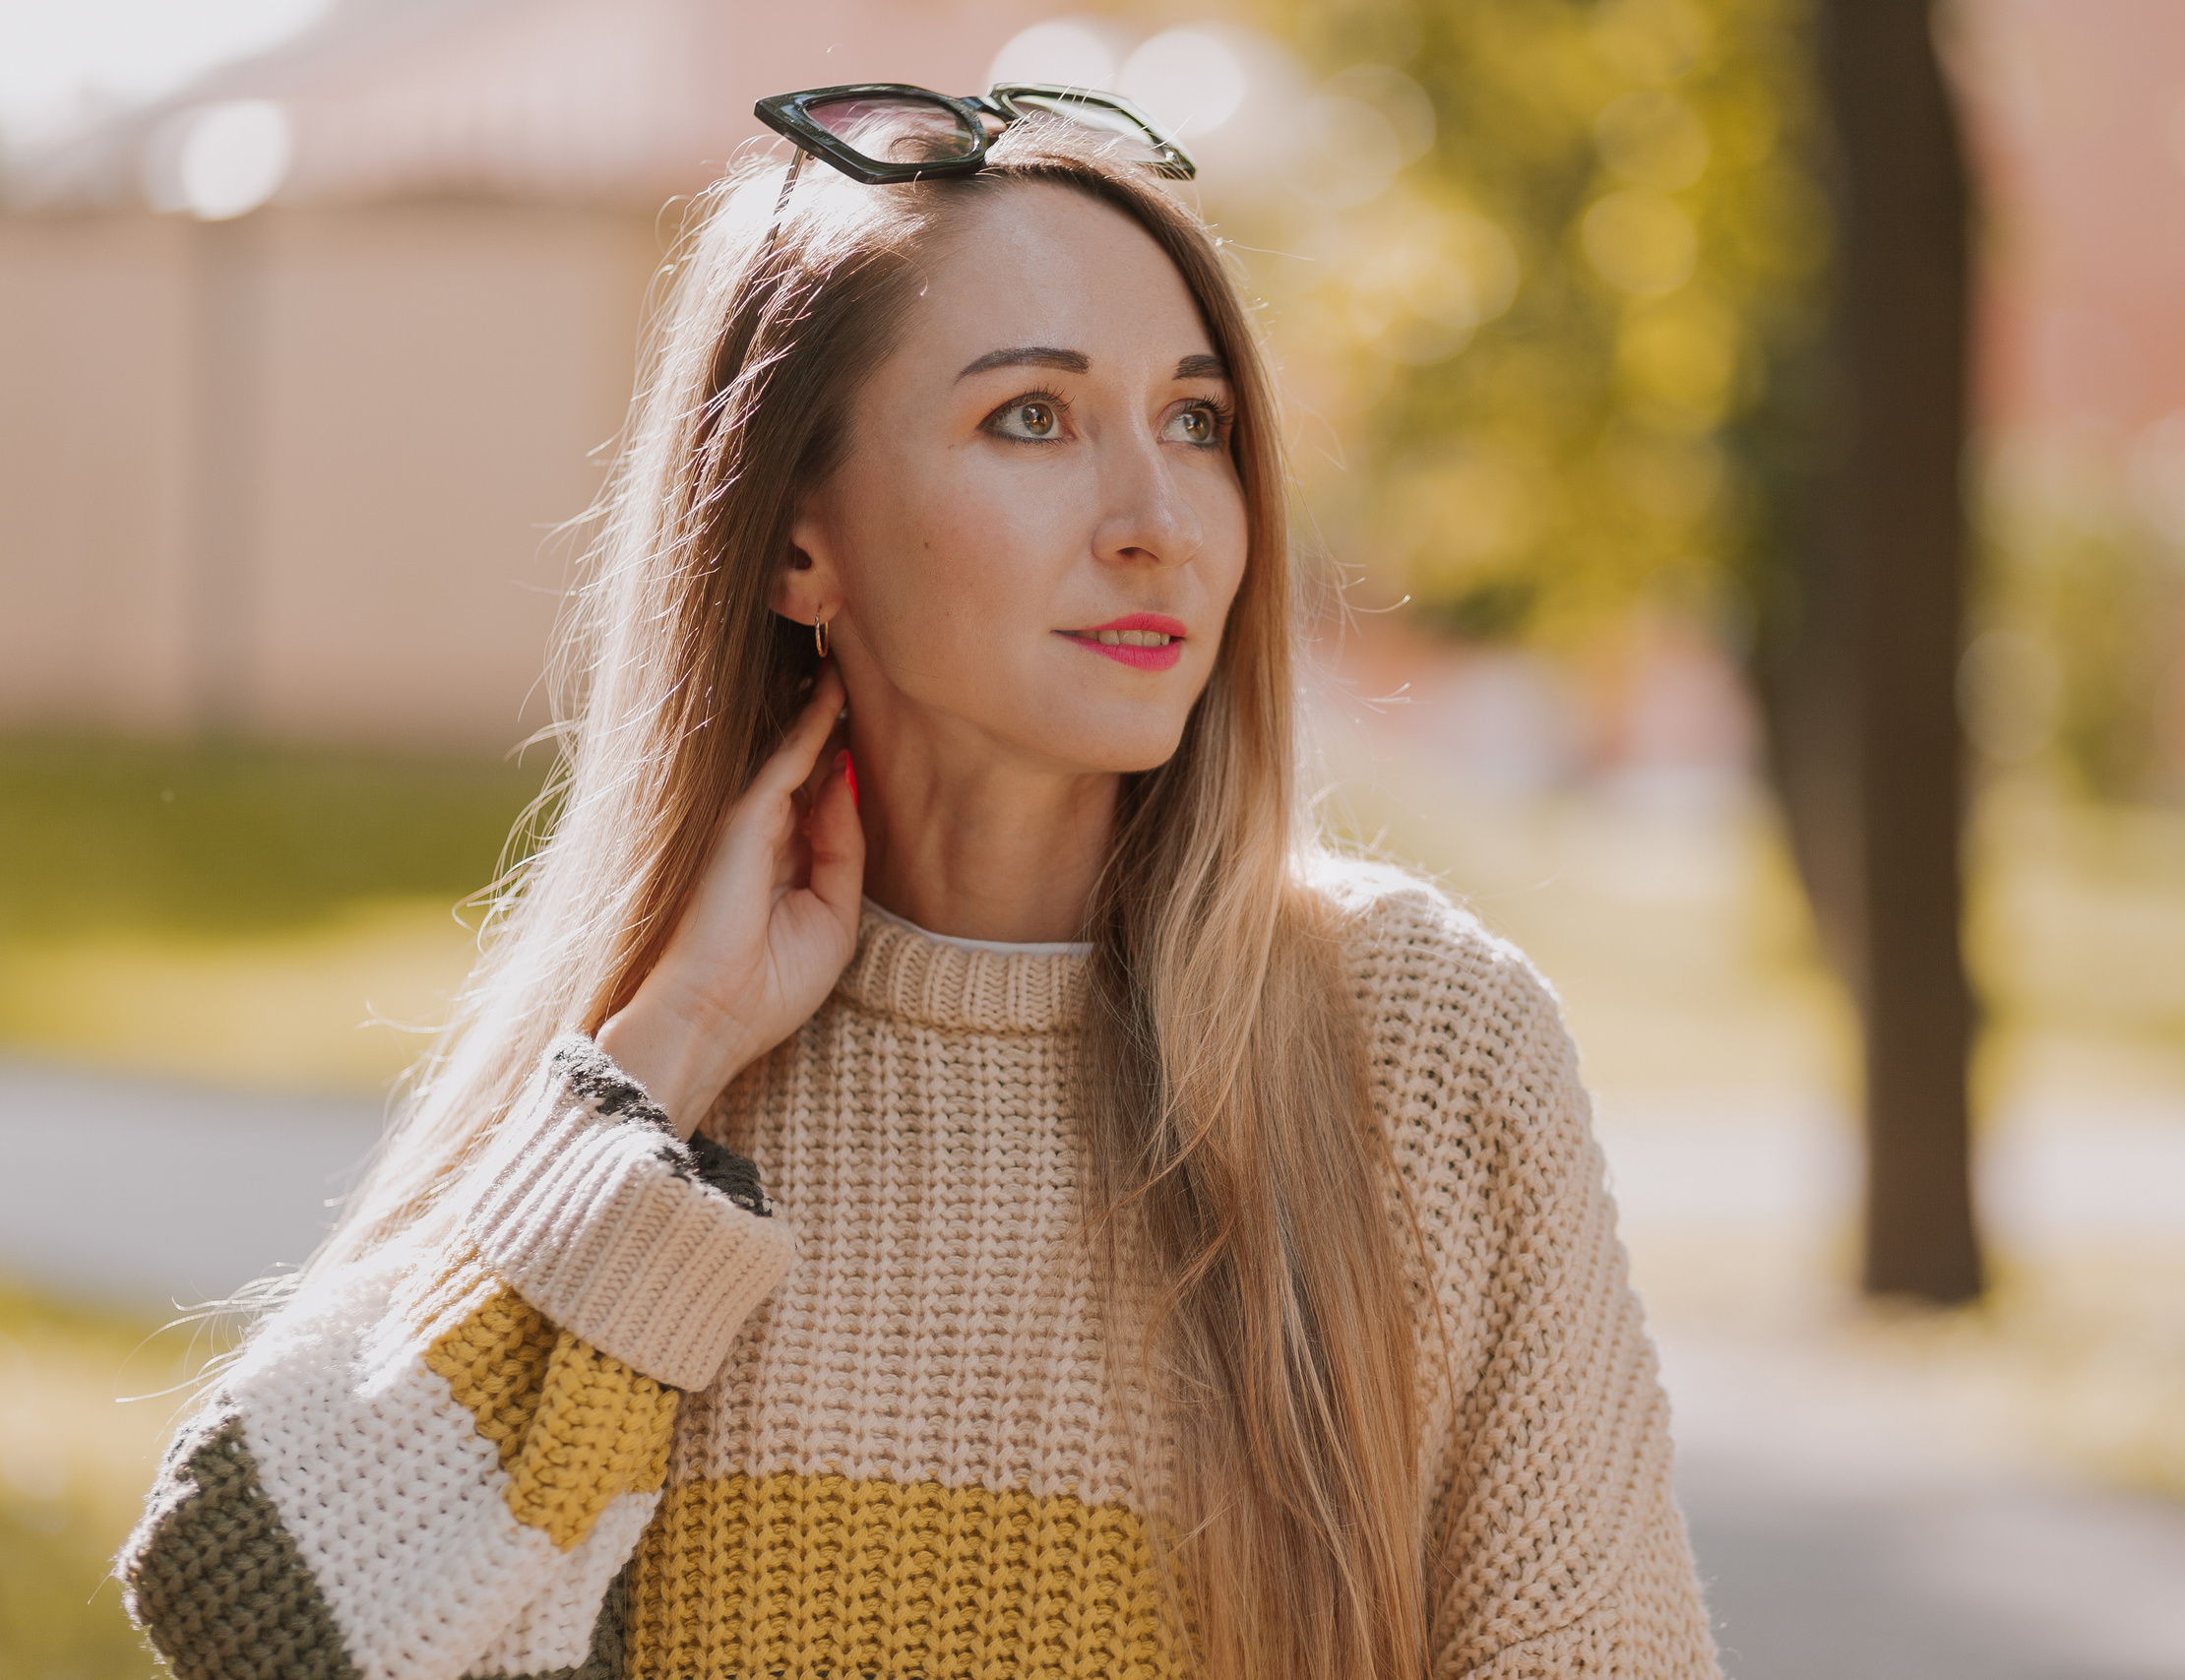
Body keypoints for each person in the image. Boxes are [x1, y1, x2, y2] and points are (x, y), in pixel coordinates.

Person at [114, 90, 1721, 1680]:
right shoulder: (647, 1096)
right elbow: (262, 1620)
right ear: (800, 544)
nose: (1159, 522)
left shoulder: (1424, 1052)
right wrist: (663, 1059)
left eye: (1197, 422)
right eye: (1031, 417)